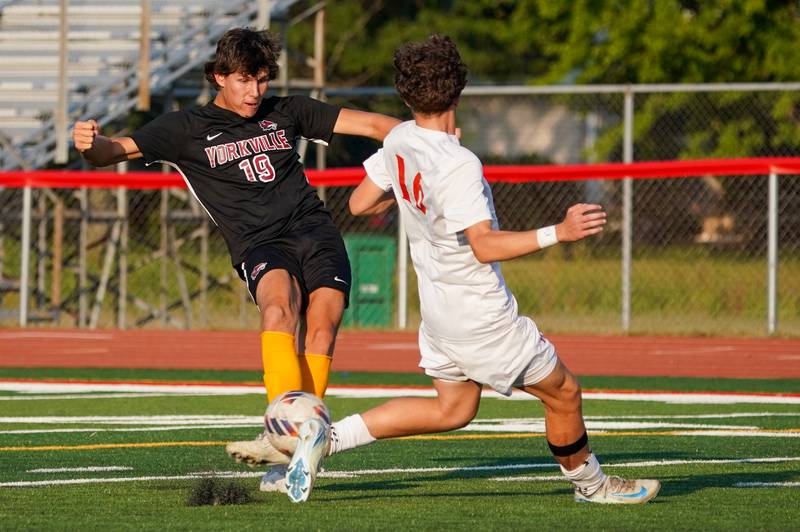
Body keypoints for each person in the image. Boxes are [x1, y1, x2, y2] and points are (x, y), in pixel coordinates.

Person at [284, 34, 660, 505]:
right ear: (459, 91)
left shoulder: (401, 137)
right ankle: (593, 486)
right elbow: (484, 247)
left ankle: (328, 438)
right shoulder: (458, 163)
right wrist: (557, 233)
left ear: (406, 95)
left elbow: (359, 203)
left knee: (454, 408)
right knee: (563, 391)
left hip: (438, 315)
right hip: (478, 315)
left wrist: (415, 178)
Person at [72, 27, 400, 493]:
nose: (254, 91)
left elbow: (372, 125)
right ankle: (284, 436)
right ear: (218, 76)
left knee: (324, 323)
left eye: (262, 79)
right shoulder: (183, 129)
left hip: (314, 229)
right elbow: (112, 151)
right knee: (278, 308)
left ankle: (294, 443)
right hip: (259, 243)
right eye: (245, 80)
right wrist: (89, 145)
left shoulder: (286, 110)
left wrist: (427, 136)